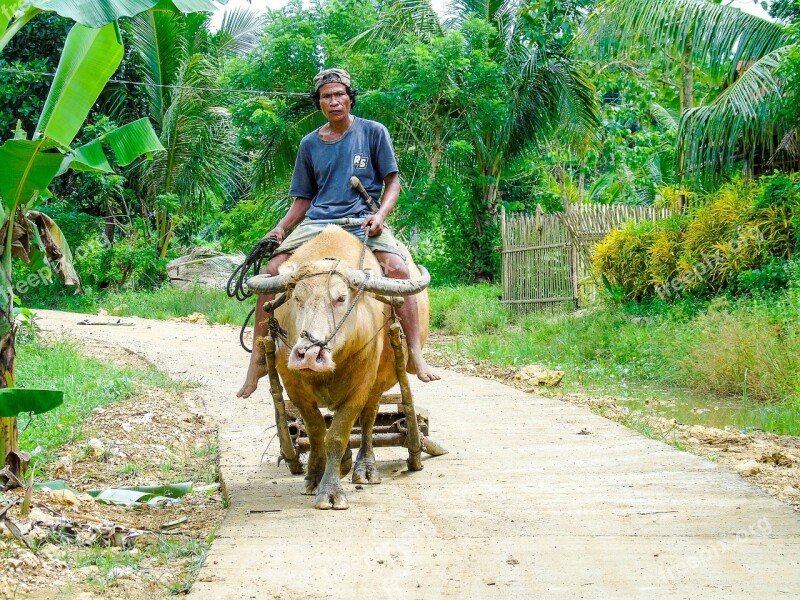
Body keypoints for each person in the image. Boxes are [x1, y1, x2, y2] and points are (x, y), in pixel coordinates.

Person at [237, 68, 439, 399]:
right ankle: (260, 356)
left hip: (362, 220)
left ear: (350, 97)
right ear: (318, 103)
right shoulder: (309, 144)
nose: (334, 101)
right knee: (271, 274)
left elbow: (393, 183)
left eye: (339, 94)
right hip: (317, 223)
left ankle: (415, 351)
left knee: (400, 271)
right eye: (326, 96)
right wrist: (282, 227)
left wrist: (380, 215)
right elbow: (303, 199)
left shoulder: (374, 132)